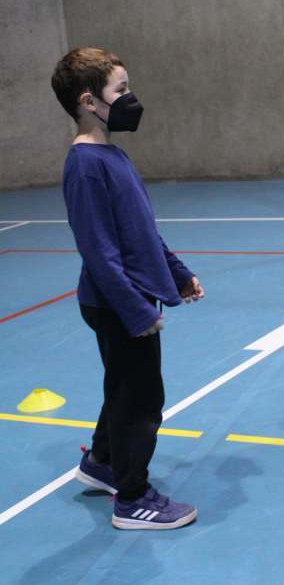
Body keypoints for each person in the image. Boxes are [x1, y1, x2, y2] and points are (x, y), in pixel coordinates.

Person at [51, 48, 203, 529]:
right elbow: (98, 251)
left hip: (129, 297)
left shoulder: (113, 155)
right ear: (89, 101)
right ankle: (132, 498)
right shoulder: (85, 166)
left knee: (123, 387)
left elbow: (141, 229)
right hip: (117, 303)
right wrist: (137, 311)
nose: (130, 97)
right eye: (121, 89)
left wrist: (176, 272)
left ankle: (102, 462)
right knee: (141, 399)